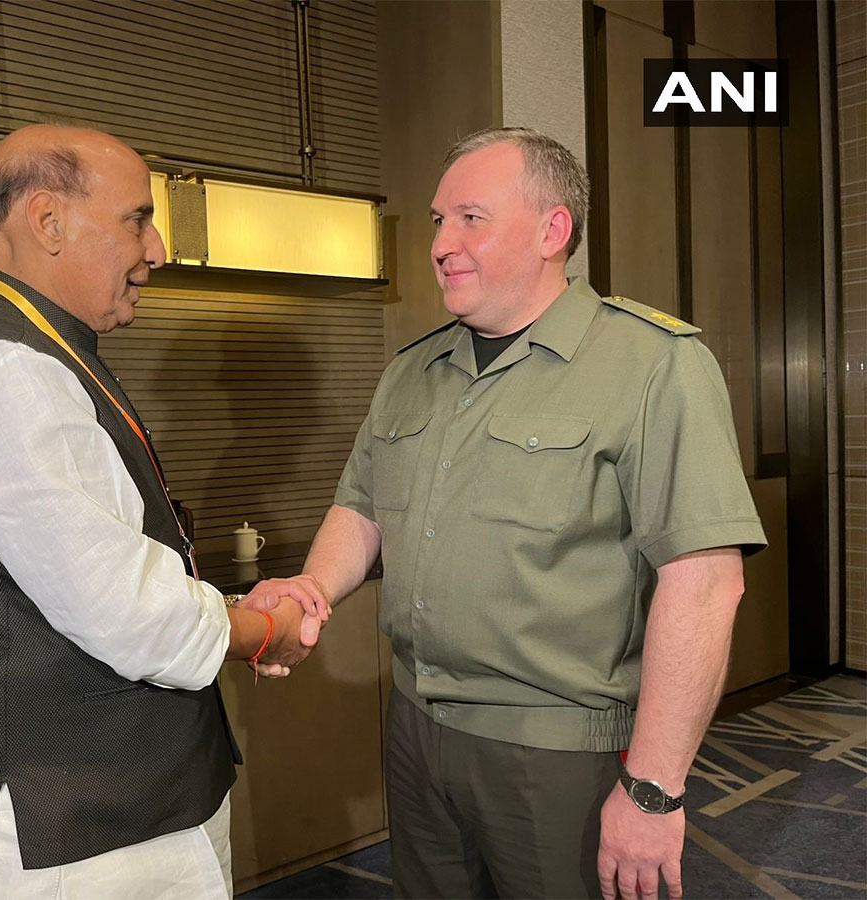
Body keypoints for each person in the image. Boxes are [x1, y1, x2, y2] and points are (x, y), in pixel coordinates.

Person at [246, 126, 767, 900]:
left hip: (557, 753)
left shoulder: (655, 363)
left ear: (553, 230)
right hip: (417, 731)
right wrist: (311, 585)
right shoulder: (411, 371)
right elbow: (361, 508)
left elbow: (704, 584)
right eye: (436, 222)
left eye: (470, 218)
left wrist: (655, 787)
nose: (442, 244)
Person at [0, 124, 324, 900]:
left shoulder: (45, 352)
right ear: (47, 221)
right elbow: (127, 608)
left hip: (107, 825)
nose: (156, 249)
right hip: (66, 840)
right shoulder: (6, 371)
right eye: (137, 219)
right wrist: (263, 631)